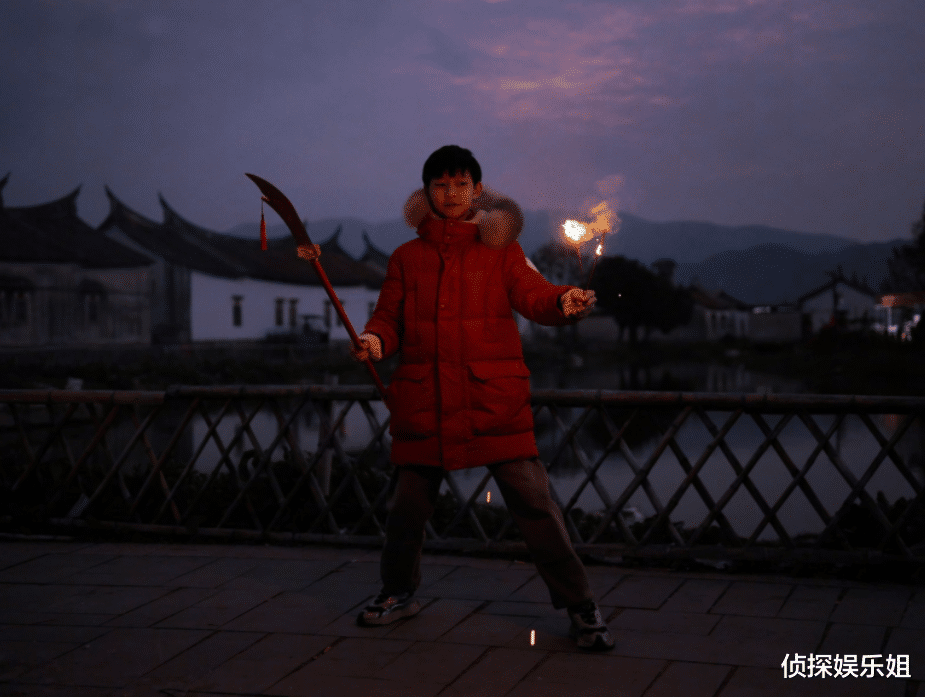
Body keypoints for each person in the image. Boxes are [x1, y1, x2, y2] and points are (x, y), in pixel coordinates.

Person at [297, 145, 612, 651]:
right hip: (426, 404)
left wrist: (562, 301)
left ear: (478, 191)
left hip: (494, 404)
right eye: (440, 185)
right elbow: (388, 319)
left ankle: (581, 605)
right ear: (426, 193)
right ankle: (398, 593)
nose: (451, 194)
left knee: (536, 507)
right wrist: (375, 342)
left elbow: (533, 295)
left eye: (461, 184)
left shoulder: (501, 251)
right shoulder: (406, 258)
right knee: (406, 511)